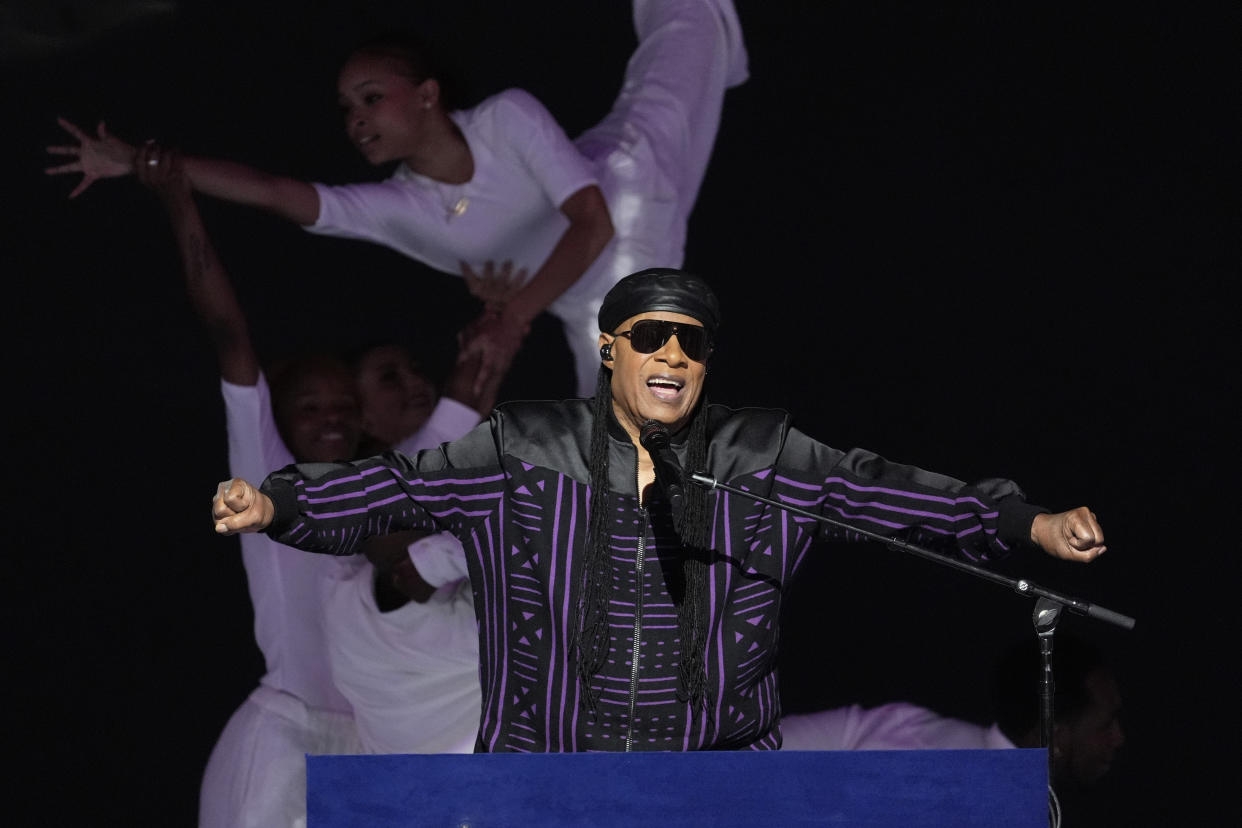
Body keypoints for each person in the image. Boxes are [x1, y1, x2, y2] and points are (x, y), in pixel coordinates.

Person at [211, 267, 1107, 753]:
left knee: (864, 737)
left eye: (405, 372)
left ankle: (999, 765)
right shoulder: (370, 585)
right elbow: (412, 567)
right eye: (380, 382)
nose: (402, 386)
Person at [46, 0, 750, 397]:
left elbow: (592, 223)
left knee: (685, 32)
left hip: (628, 182)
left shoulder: (506, 118)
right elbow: (277, 193)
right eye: (346, 108)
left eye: (371, 98)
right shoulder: (398, 208)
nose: (355, 118)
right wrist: (143, 161)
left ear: (427, 97)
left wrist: (511, 318)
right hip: (592, 302)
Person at [131, 144, 495, 826]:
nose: (331, 418)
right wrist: (178, 202)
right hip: (285, 731)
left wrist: (505, 311)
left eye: (342, 408)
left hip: (362, 743)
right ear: (282, 422)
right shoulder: (268, 480)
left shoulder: (386, 488)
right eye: (310, 407)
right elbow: (227, 333)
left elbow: (471, 394)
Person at [781, 632, 1124, 787]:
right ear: (1057, 735)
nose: (1118, 737)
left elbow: (746, 752)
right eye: (1106, 723)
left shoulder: (901, 723)